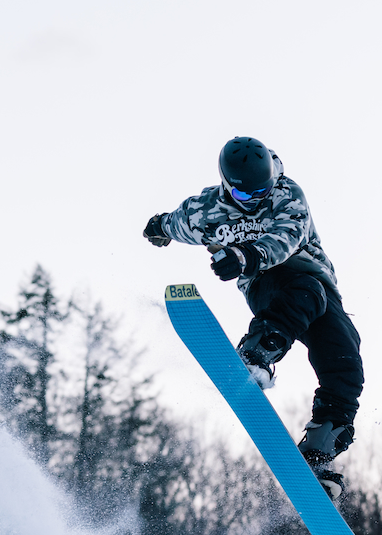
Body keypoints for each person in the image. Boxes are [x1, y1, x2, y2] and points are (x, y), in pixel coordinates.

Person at [144, 137, 364, 495]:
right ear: (228, 187)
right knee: (304, 291)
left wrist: (246, 256)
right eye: (247, 197)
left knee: (346, 359)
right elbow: (175, 223)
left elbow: (286, 238)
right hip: (269, 286)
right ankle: (257, 354)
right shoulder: (205, 211)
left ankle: (319, 452)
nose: (257, 201)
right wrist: (159, 228)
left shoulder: (287, 193)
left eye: (262, 191)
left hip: (313, 281)